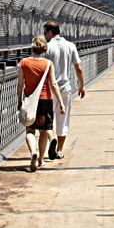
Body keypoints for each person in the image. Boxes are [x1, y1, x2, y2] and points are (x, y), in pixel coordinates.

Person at [17, 35, 64, 172]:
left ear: (32, 47)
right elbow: (53, 84)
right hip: (45, 101)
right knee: (44, 131)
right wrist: (61, 102)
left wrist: (19, 100)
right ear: (44, 49)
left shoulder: (23, 63)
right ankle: (41, 159)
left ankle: (33, 153)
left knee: (30, 130)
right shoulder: (48, 64)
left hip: (30, 102)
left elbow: (20, 85)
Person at [43, 20, 84, 160]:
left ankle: (52, 138)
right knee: (63, 119)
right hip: (65, 88)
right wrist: (81, 86)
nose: (44, 36)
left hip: (49, 89)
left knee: (47, 119)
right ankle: (60, 150)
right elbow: (78, 68)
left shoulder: (47, 47)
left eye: (45, 33)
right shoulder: (70, 46)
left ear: (50, 32)